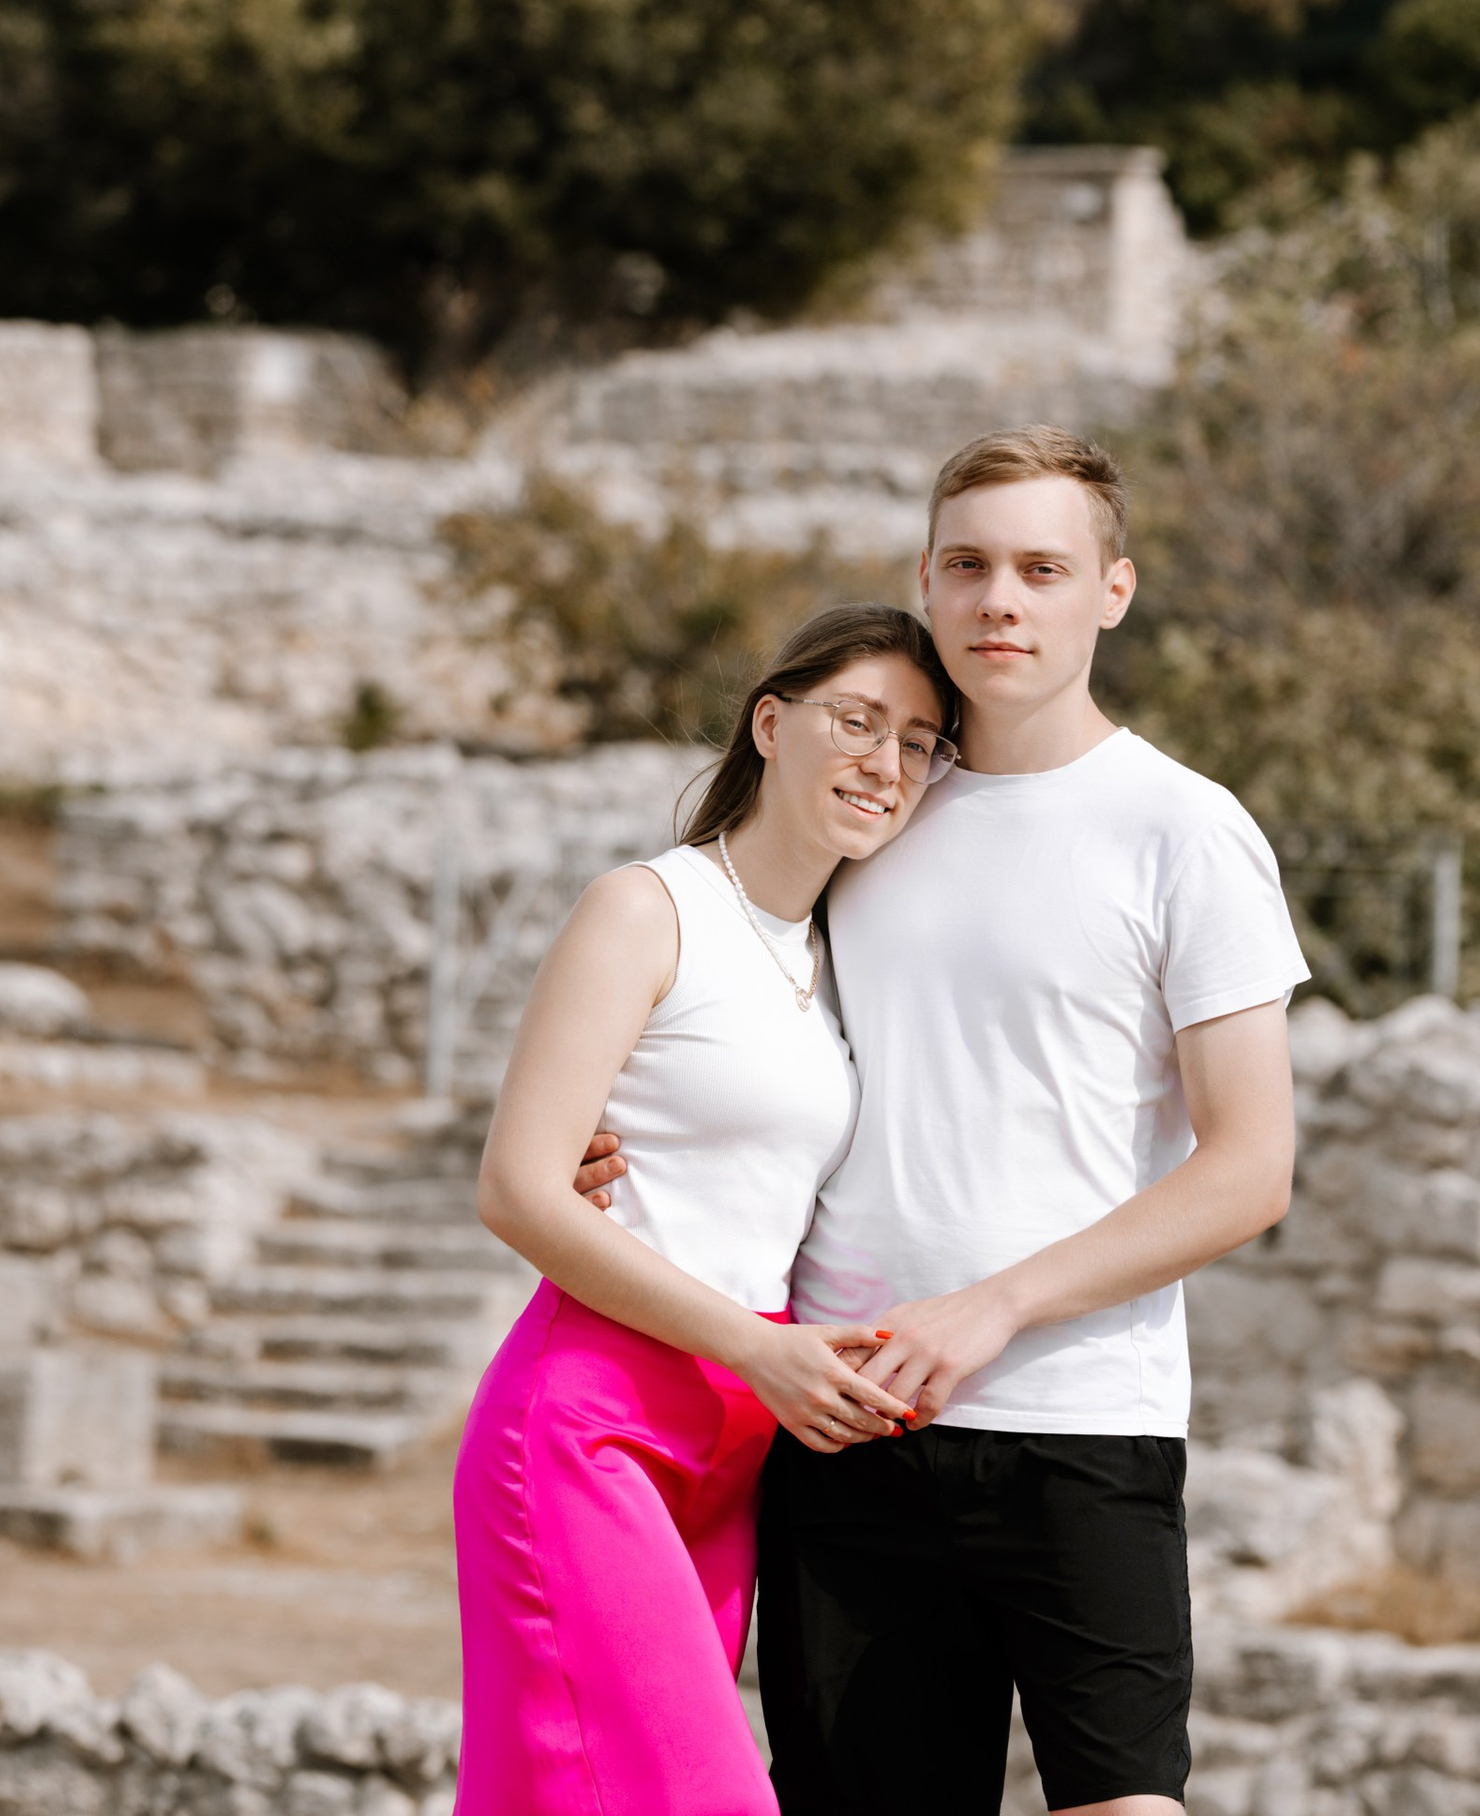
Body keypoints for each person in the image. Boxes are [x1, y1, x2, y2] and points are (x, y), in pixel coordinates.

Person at [579, 426, 1306, 1816]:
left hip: (1085, 1425)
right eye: (968, 566)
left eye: (1042, 568)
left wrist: (995, 1310)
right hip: (843, 1422)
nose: (1000, 602)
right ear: (926, 575)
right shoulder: (881, 801)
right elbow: (721, 999)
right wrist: (611, 1136)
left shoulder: (1186, 830)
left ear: (1115, 590)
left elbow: (1251, 1168)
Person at [455, 602, 958, 1816]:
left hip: (735, 1448)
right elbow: (518, 1187)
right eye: (856, 720)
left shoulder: (843, 950)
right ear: (771, 724)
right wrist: (754, 1345)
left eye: (919, 739)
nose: (884, 761)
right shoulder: (647, 908)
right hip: (593, 1428)